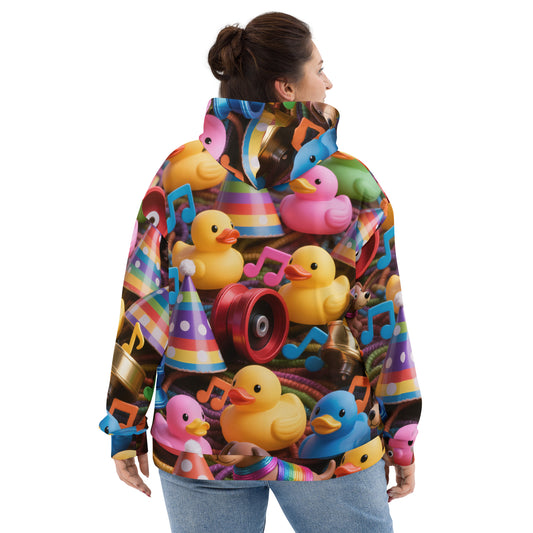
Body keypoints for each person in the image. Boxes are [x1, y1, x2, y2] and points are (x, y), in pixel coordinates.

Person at [101, 12, 421, 533]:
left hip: (200, 438)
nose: (329, 83)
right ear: (286, 87)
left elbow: (142, 302)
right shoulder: (353, 183)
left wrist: (125, 421)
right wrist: (401, 431)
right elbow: (383, 314)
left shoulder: (179, 174)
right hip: (330, 439)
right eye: (320, 68)